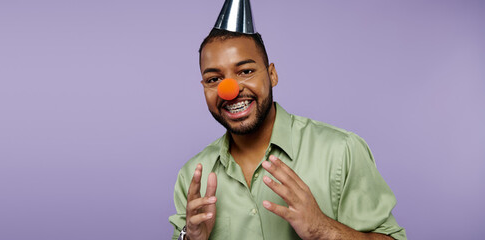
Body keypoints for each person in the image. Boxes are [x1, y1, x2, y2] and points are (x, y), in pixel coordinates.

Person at [168, 1, 406, 240]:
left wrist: (323, 229)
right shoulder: (192, 176)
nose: (229, 90)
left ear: (272, 75)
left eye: (246, 71)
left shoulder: (341, 151)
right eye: (213, 79)